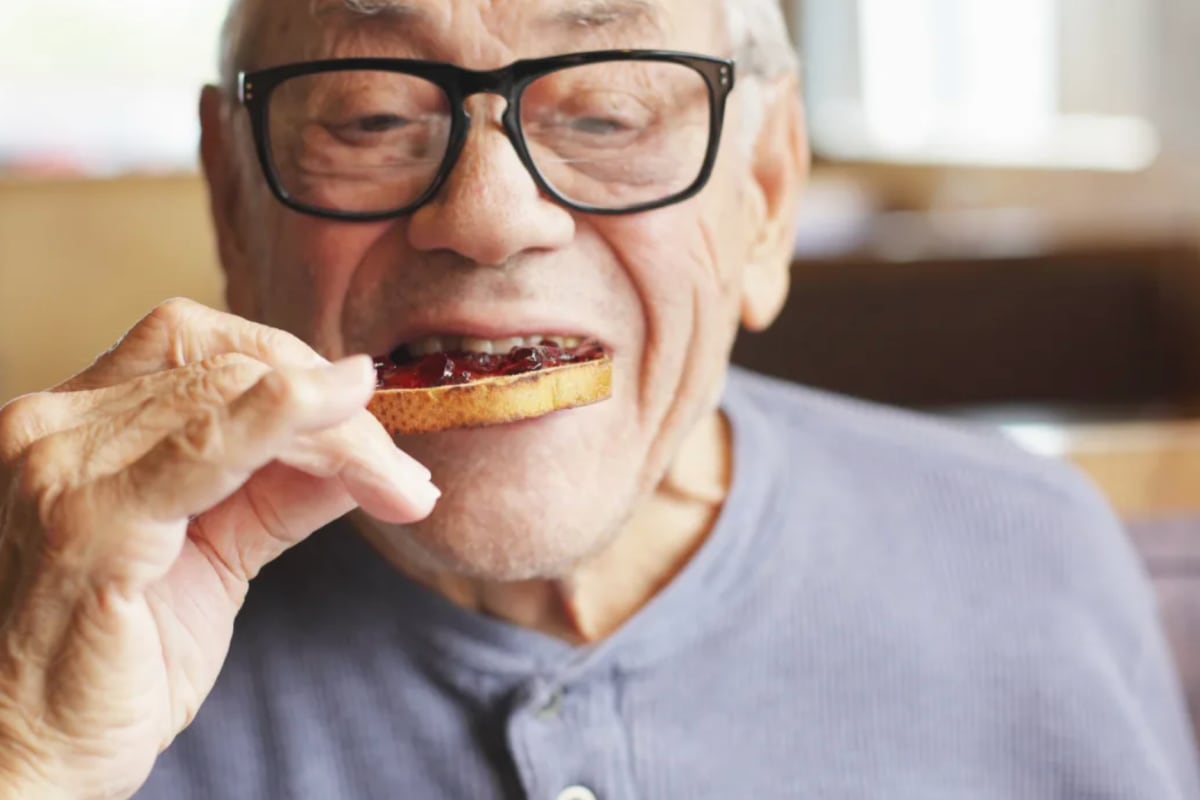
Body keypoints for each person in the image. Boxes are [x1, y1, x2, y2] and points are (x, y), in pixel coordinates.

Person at [0, 0, 1195, 797]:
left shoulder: (1031, 558)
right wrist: (31, 750)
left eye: (610, 112)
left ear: (766, 195)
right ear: (230, 201)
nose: (486, 216)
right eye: (368, 117)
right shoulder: (57, 621)